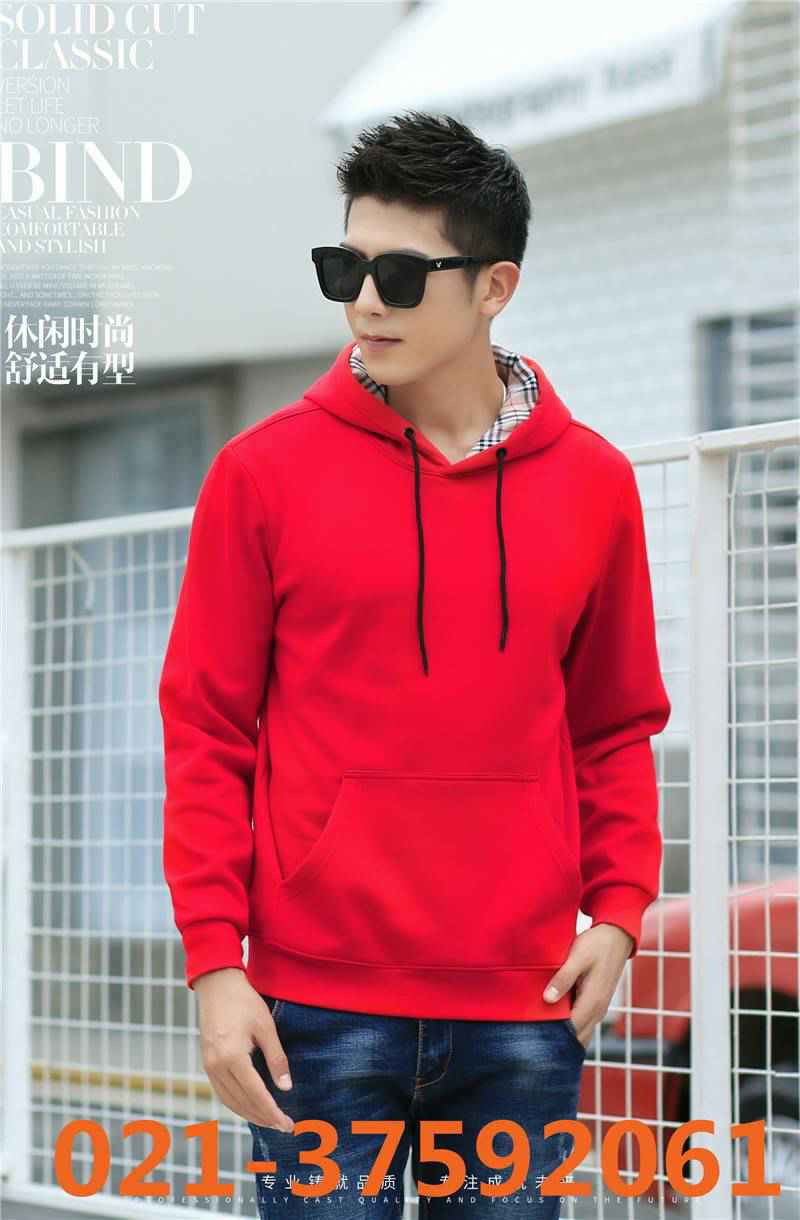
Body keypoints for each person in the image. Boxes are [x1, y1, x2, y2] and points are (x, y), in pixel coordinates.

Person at [158, 110, 672, 1218]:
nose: (363, 302)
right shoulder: (260, 476)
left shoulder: (594, 486)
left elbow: (614, 724)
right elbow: (206, 729)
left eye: (397, 274)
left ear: (495, 287)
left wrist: (620, 908)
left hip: (523, 1008)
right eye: (342, 267)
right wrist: (215, 963)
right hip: (313, 1012)